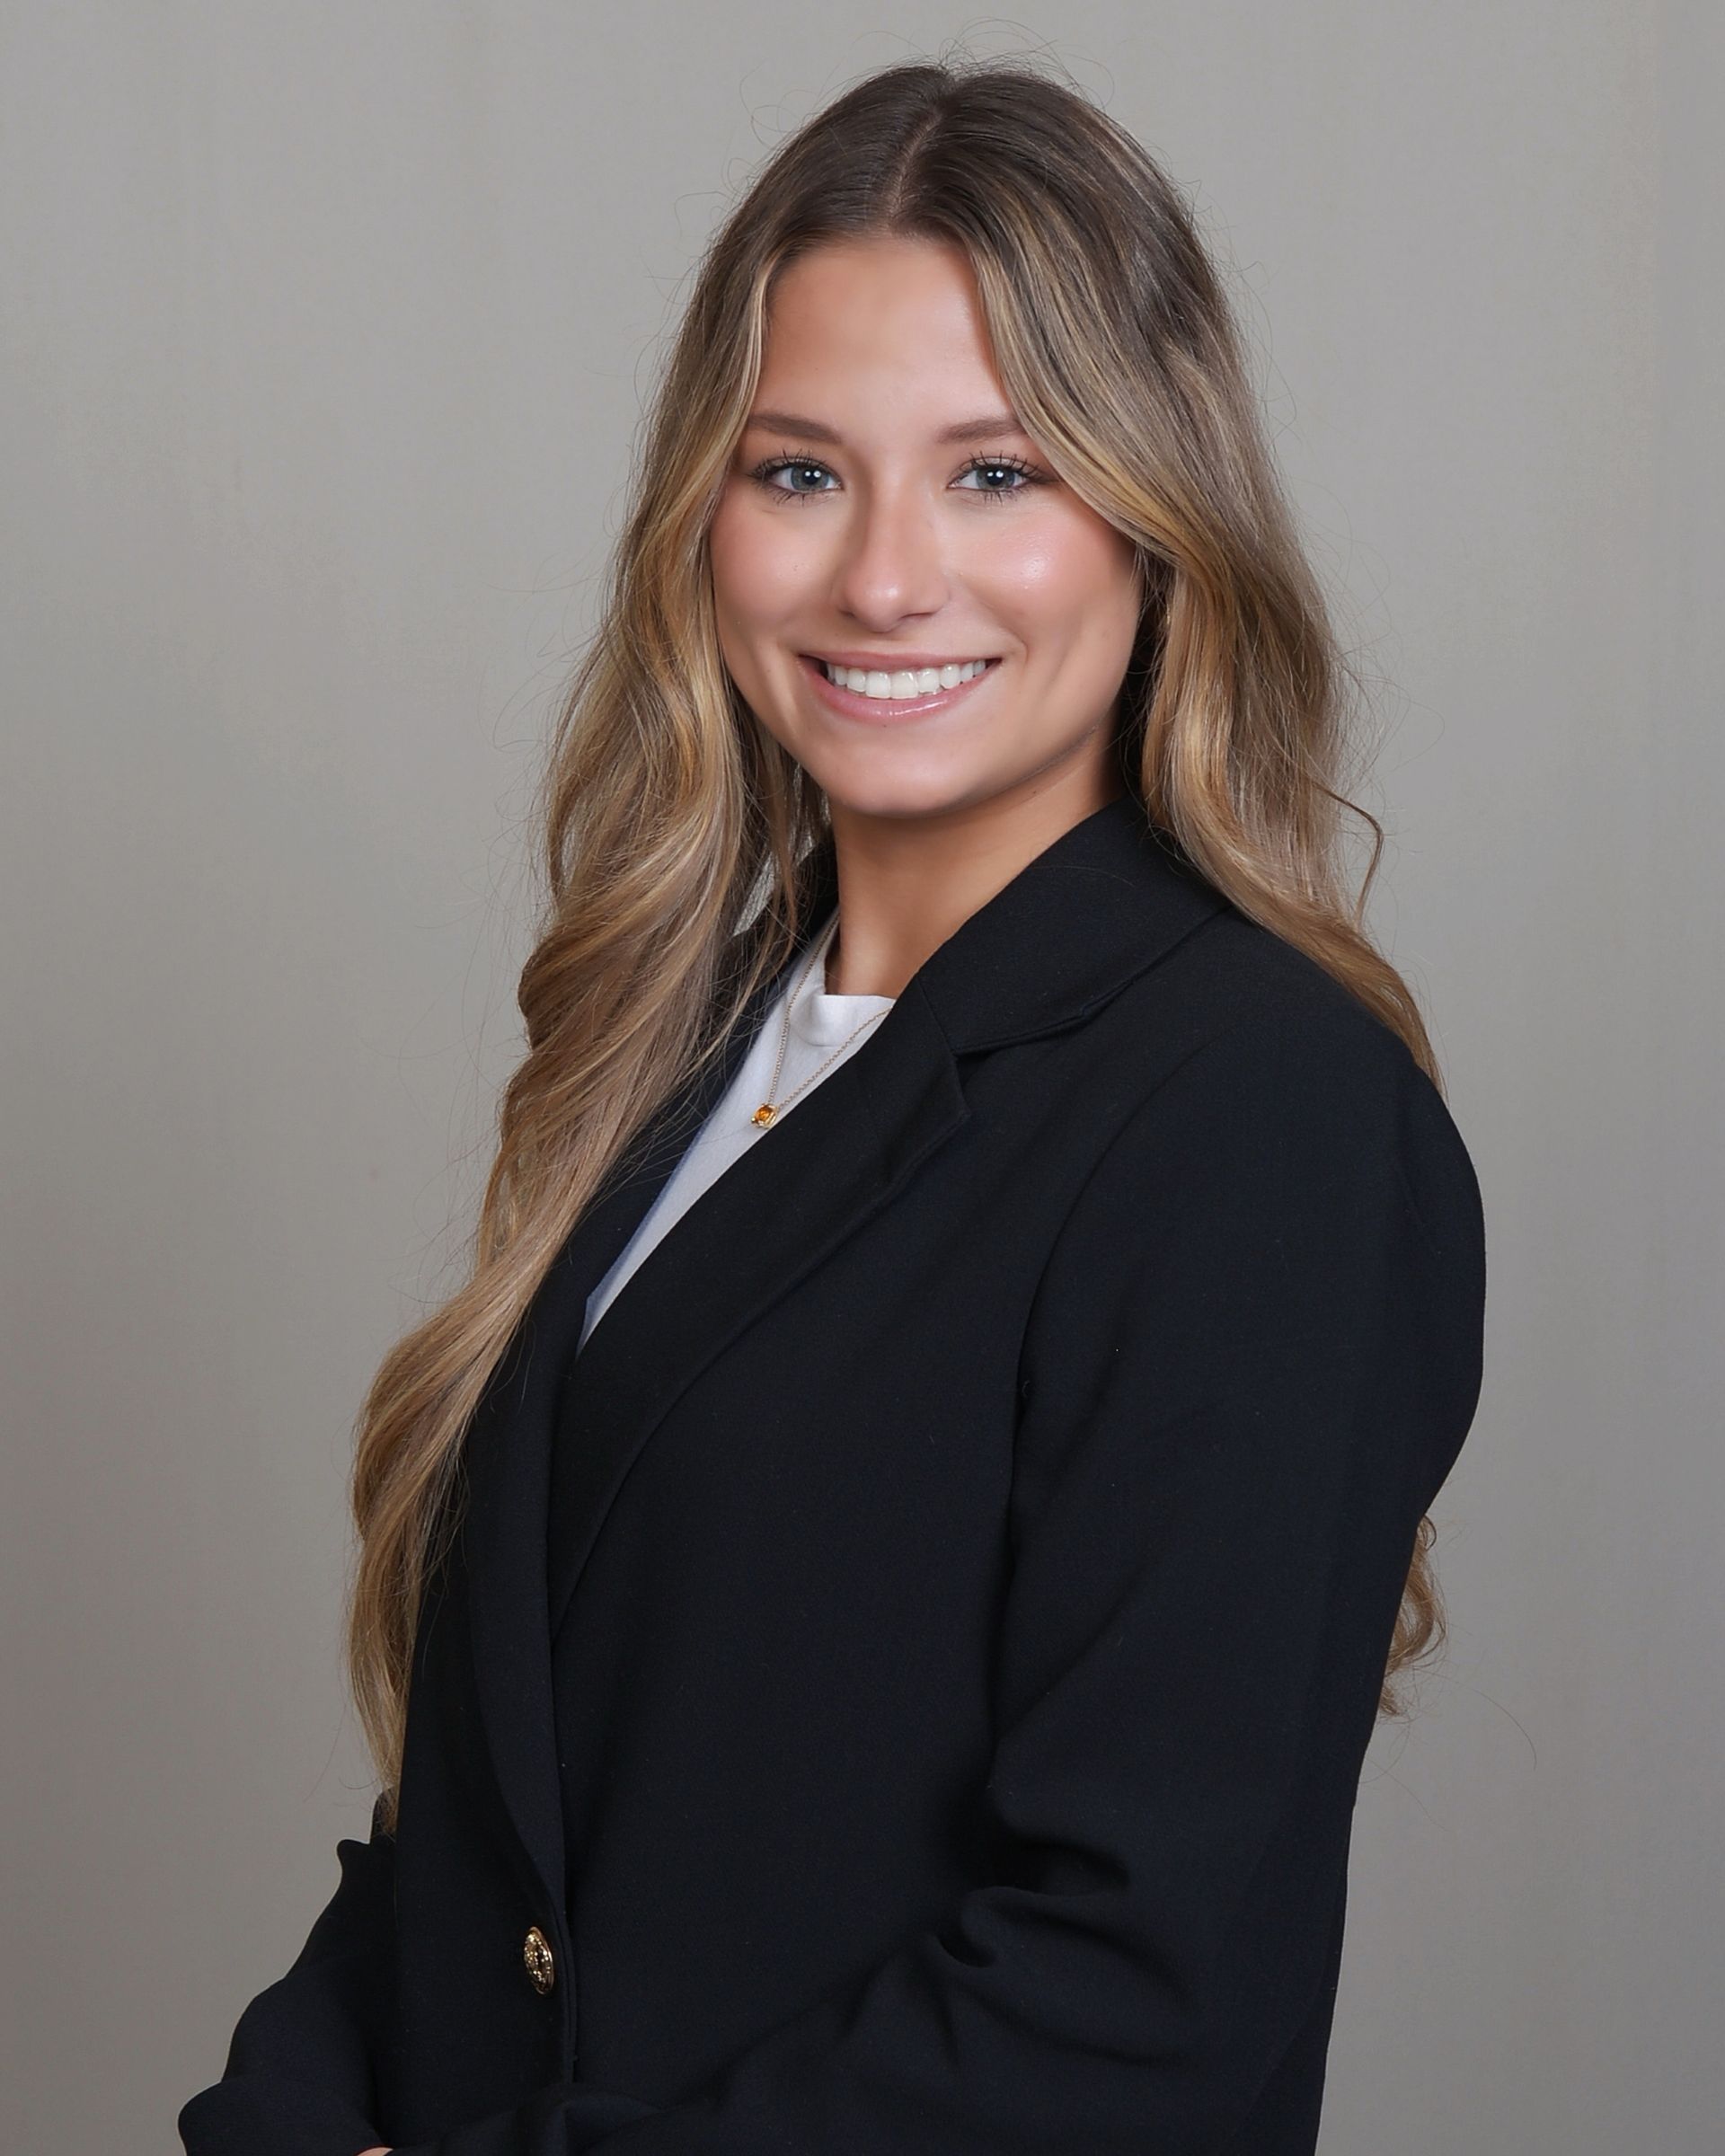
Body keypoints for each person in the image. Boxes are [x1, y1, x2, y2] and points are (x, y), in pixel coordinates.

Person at [178, 53, 1487, 2156]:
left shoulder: (1262, 1115)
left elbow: (1129, 2011)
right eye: (800, 471)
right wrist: (281, 2107)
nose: (883, 579)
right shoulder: (684, 1051)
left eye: (996, 473)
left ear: (1159, 526)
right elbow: (516, 1831)